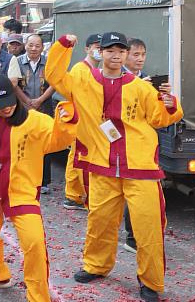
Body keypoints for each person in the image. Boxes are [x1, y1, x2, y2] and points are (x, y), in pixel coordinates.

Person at [46, 32, 182, 302]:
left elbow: (159, 118)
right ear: (100, 52)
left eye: (121, 50)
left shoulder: (141, 87)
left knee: (148, 228)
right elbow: (54, 75)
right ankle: (96, 265)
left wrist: (171, 106)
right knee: (100, 222)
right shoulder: (83, 79)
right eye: (109, 50)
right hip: (102, 166)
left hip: (139, 168)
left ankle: (151, 282)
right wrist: (62, 45)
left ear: (127, 55)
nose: (116, 55)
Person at [0, 73, 76, 300]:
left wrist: (67, 121)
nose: (5, 108)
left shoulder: (35, 120)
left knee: (34, 243)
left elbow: (58, 139)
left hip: (21, 192)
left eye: (9, 101)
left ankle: (38, 296)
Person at [62, 33, 101, 212]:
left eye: (102, 47)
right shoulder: (80, 69)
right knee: (77, 157)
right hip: (82, 122)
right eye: (95, 46)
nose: (99, 50)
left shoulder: (95, 69)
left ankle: (74, 195)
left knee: (76, 157)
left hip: (92, 124)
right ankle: (75, 195)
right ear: (87, 49)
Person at [16, 33, 56, 194]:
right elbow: (14, 84)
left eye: (37, 45)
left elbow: (54, 83)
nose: (33, 48)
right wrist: (26, 100)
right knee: (22, 142)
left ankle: (44, 181)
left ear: (42, 47)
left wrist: (39, 100)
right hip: (22, 109)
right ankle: (22, 178)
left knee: (44, 144)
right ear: (25, 45)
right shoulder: (17, 62)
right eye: (30, 45)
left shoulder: (48, 63)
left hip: (44, 107)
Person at [122, 37, 151, 254]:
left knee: (142, 195)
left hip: (144, 147)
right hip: (121, 146)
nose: (140, 59)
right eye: (136, 55)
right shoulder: (119, 79)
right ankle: (131, 236)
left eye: (143, 55)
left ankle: (136, 236)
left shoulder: (147, 80)